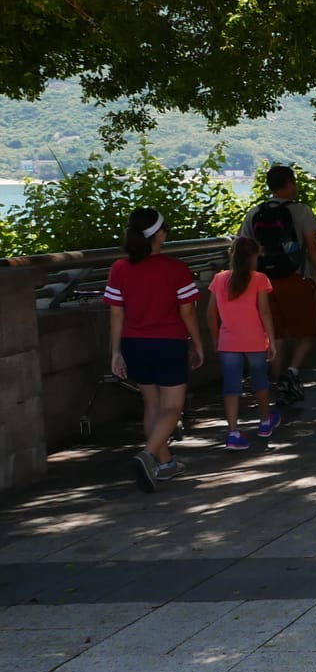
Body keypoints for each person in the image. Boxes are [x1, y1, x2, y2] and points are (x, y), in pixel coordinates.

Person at [106, 208, 203, 492]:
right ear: (159, 234)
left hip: (133, 344)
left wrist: (115, 352)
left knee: (152, 404)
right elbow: (187, 313)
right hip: (168, 342)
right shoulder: (176, 268)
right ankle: (147, 454)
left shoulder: (119, 268)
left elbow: (115, 314)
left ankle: (166, 463)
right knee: (173, 406)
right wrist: (197, 342)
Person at [241, 164, 316, 404]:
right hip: (295, 279)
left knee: (275, 336)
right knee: (308, 330)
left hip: (263, 284)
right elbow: (313, 248)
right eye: (294, 182)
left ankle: (279, 388)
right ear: (289, 184)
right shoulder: (301, 211)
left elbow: (242, 247)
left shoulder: (254, 212)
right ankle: (292, 372)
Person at [207, 236, 282, 450]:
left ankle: (233, 432)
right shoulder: (259, 279)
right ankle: (265, 421)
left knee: (231, 385)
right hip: (255, 339)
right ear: (254, 256)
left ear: (232, 254)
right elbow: (264, 311)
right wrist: (272, 340)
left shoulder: (219, 279)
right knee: (260, 380)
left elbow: (210, 314)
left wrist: (215, 338)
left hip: (228, 341)